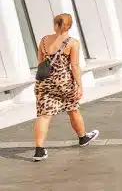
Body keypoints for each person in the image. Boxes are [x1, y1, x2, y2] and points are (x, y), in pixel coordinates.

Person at [33, 14, 99, 162]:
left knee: (44, 116)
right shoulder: (72, 43)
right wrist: (79, 85)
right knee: (73, 109)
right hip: (64, 82)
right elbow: (74, 66)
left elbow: (40, 61)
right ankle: (83, 138)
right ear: (69, 26)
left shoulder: (44, 40)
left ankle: (39, 150)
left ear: (55, 24)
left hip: (44, 83)